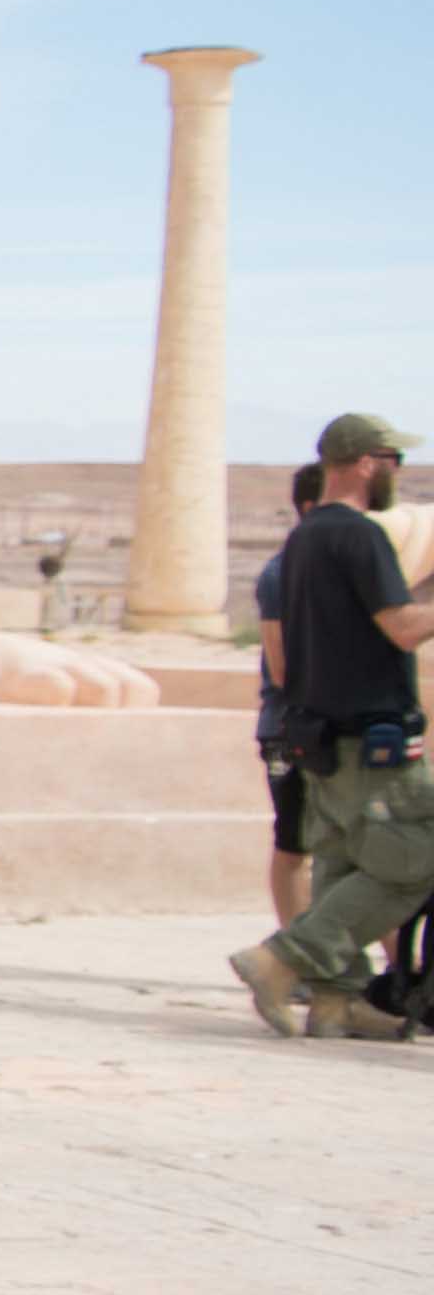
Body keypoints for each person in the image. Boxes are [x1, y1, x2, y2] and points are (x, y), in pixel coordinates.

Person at [229, 412, 431, 1042]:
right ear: (368, 463)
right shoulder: (359, 535)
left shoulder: (307, 539)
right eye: (393, 461)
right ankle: (283, 959)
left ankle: (336, 1003)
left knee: (341, 865)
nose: (398, 472)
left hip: (324, 737)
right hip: (372, 739)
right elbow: (402, 628)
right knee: (415, 858)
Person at [258, 462, 323, 930]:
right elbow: (281, 668)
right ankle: (299, 952)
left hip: (329, 725)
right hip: (293, 728)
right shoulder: (283, 573)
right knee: (294, 845)